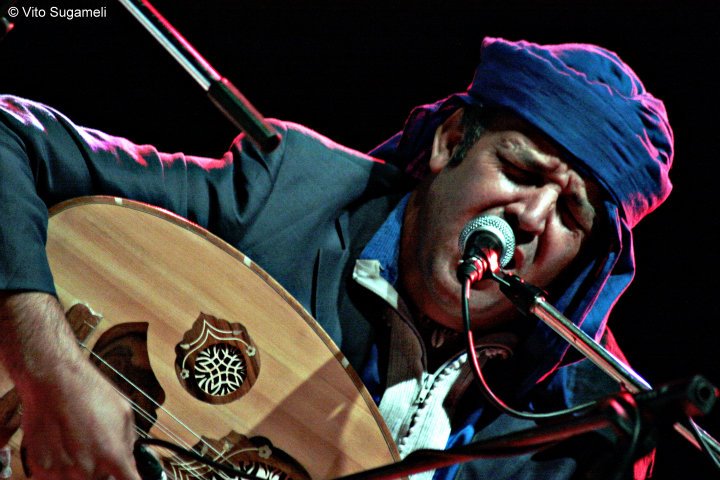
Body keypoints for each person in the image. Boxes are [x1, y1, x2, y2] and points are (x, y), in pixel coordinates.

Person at [0, 36, 672, 479]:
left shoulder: (579, 430)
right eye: (519, 171)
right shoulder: (293, 194)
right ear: (450, 143)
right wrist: (50, 374)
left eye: (572, 215)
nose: (532, 217)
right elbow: (9, 139)